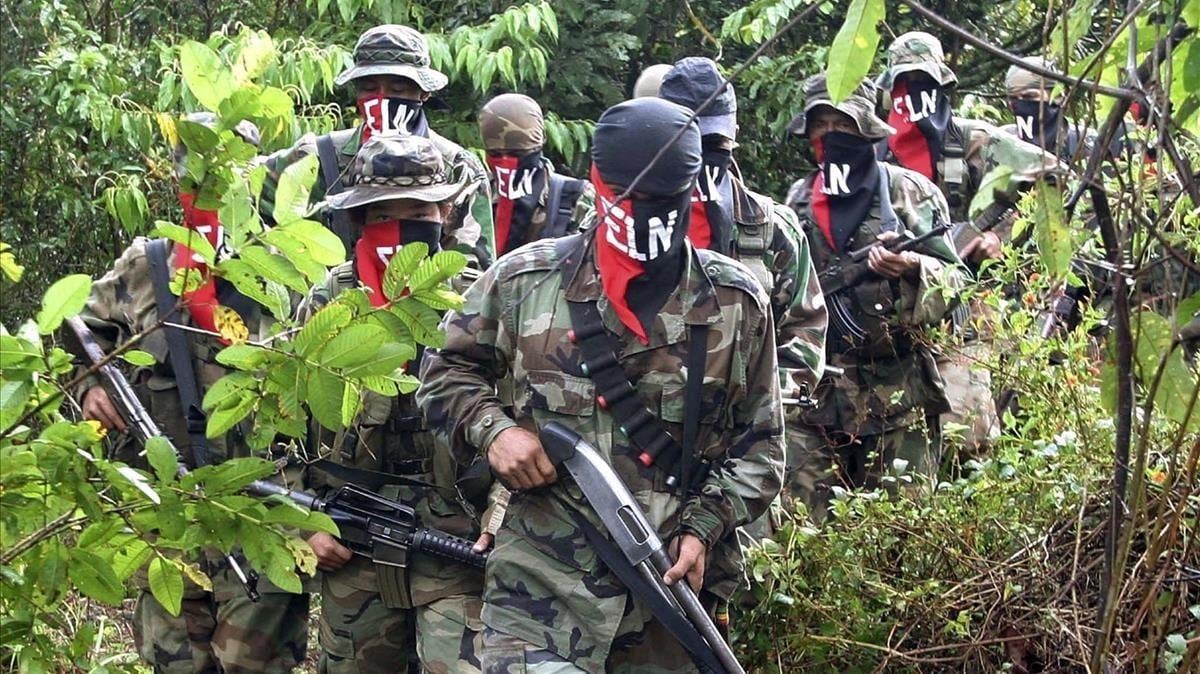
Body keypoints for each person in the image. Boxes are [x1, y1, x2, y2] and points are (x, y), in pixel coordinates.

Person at [417, 96, 784, 671]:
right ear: (596, 181)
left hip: (673, 597)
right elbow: (442, 372)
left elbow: (762, 444)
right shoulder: (523, 281)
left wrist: (705, 527)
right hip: (541, 589)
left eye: (663, 202)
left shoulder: (735, 302)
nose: (643, 216)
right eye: (629, 198)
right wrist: (495, 433)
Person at [72, 113, 309, 673]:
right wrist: (91, 387)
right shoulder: (146, 263)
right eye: (194, 178)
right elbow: (80, 332)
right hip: (168, 514)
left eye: (223, 179)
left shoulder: (283, 270)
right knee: (174, 662)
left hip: (262, 511)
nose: (208, 194)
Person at [297, 134, 485, 673]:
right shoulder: (326, 304)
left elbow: (523, 420)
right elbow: (277, 431)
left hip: (457, 548)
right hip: (353, 545)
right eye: (380, 213)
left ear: (446, 213)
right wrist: (304, 522)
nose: (398, 228)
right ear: (356, 219)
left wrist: (500, 516)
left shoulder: (479, 300)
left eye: (417, 212)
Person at [784, 74, 965, 520]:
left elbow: (956, 286)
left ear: (866, 130)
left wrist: (913, 268)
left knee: (906, 538)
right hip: (817, 405)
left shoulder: (911, 194)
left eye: (842, 126)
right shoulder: (797, 202)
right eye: (821, 127)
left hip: (898, 401)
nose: (830, 138)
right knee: (803, 539)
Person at [658, 56, 827, 534]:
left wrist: (772, 396)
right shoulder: (633, 218)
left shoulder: (771, 227)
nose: (705, 154)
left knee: (747, 582)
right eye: (691, 138)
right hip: (648, 438)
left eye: (716, 142)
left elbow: (806, 323)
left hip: (742, 451)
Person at [874, 32, 1062, 456]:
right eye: (903, 88)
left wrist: (1001, 234)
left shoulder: (974, 141)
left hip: (970, 307)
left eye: (922, 87)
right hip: (897, 316)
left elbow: (1050, 174)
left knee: (966, 437)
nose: (911, 99)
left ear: (942, 87)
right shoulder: (875, 156)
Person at [261, 24, 493, 270]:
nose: (382, 97)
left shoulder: (457, 168)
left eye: (398, 89)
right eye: (370, 89)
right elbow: (243, 200)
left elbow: (475, 273)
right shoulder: (317, 158)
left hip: (429, 303)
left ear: (424, 92)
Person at [478, 93, 593, 256]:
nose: (506, 162)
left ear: (541, 140)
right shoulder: (476, 197)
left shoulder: (576, 198)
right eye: (496, 154)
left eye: (517, 154)